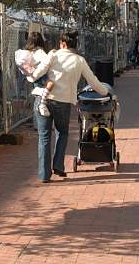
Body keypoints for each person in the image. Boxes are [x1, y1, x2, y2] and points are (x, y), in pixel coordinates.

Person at [30, 31, 112, 183]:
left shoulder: (53, 55)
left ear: (63, 43)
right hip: (63, 102)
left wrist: (31, 75)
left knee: (44, 137)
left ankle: (44, 175)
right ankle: (58, 165)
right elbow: (93, 81)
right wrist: (106, 92)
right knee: (62, 133)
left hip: (43, 99)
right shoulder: (80, 60)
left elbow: (37, 74)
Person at [15, 32, 55, 117]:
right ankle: (42, 104)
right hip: (41, 76)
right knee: (50, 84)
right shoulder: (40, 52)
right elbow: (46, 64)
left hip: (32, 77)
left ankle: (37, 116)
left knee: (37, 96)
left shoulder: (27, 52)